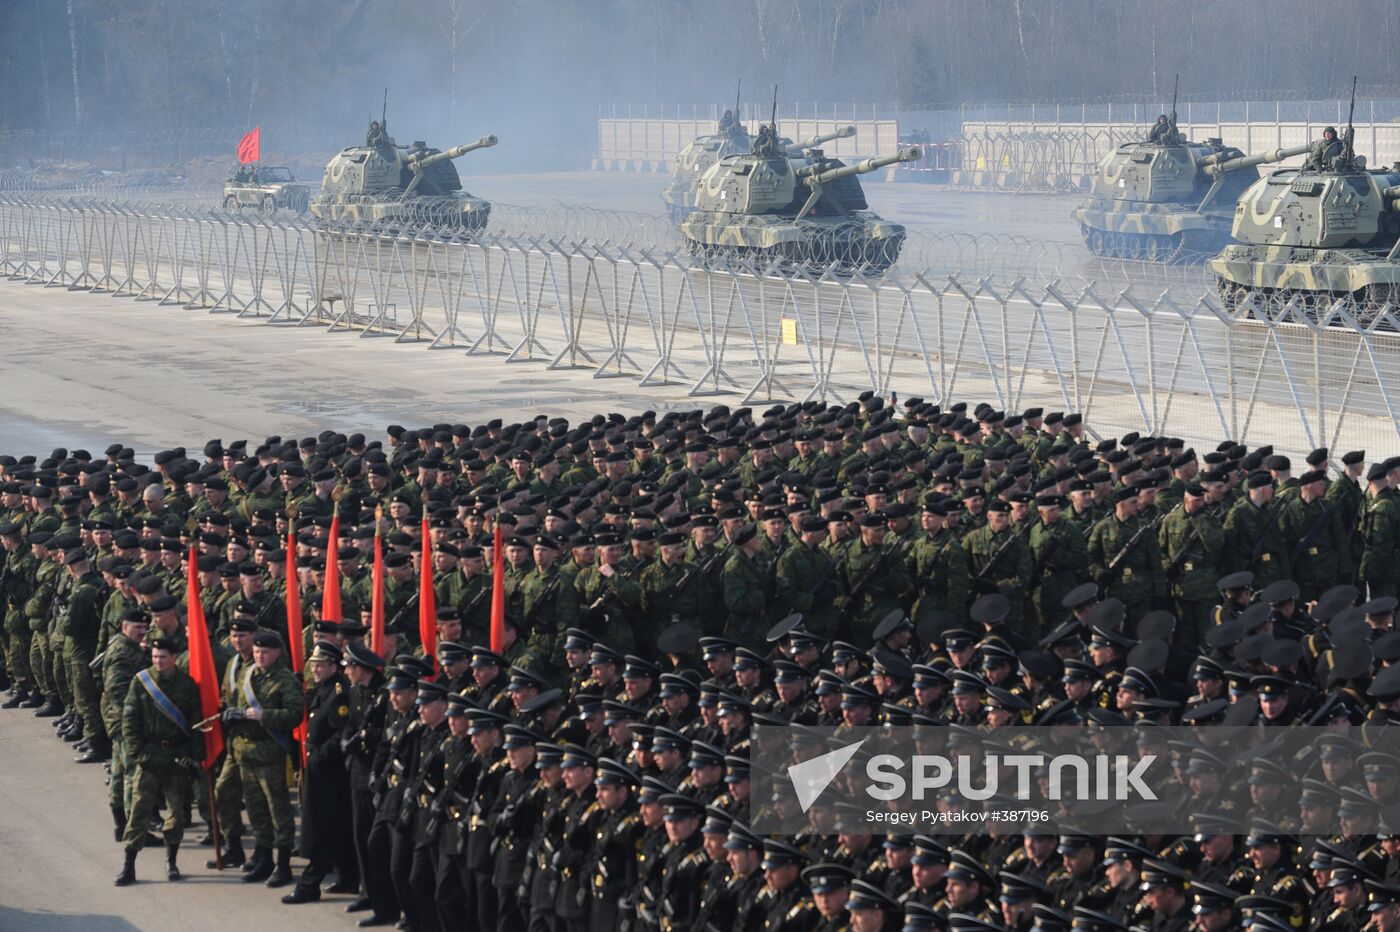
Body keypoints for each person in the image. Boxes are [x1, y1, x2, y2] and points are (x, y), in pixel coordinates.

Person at [113, 636, 202, 886]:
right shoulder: (141, 682)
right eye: (154, 657)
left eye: (162, 657)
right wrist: (139, 753)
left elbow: (195, 724)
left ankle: (171, 862)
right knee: (139, 812)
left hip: (176, 757)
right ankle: (128, 865)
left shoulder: (187, 685)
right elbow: (129, 720)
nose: (158, 662)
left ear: (173, 657)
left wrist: (194, 757)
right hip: (149, 756)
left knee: (175, 813)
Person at [223, 629, 303, 887]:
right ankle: (264, 858)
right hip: (245, 753)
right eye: (256, 652)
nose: (259, 656)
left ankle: (283, 865)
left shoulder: (285, 679)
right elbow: (234, 702)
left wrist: (264, 716)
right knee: (257, 812)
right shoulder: (248, 674)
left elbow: (294, 714)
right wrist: (231, 715)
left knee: (278, 810)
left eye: (265, 652)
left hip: (270, 754)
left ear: (277, 652)